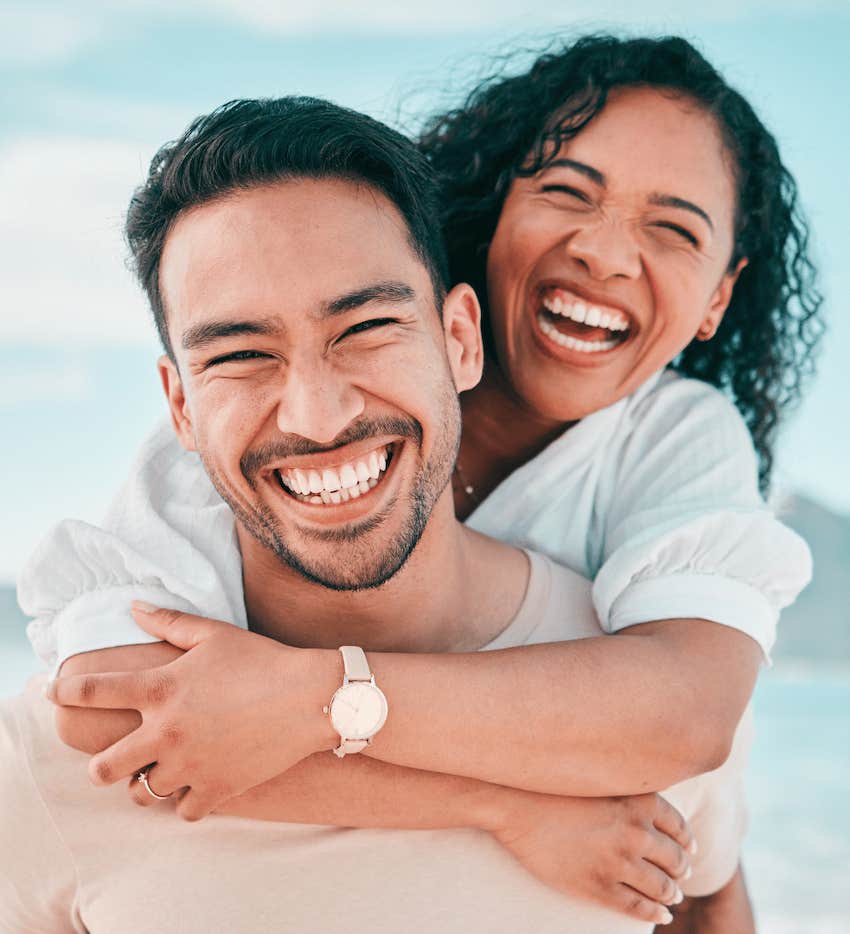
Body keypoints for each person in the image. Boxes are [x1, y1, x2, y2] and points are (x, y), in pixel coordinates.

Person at [18, 33, 819, 929]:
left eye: (673, 228)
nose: (605, 253)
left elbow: (690, 725)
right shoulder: (227, 442)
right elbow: (112, 723)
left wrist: (316, 698)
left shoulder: (671, 437)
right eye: (566, 192)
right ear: (492, 209)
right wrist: (505, 806)